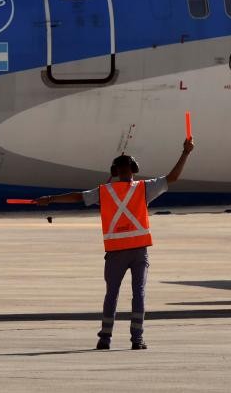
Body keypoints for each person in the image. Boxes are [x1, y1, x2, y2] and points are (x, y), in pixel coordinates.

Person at [36, 138, 195, 350]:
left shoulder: (105, 192)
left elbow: (78, 197)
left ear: (115, 171)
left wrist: (50, 199)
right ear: (133, 169)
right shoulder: (143, 189)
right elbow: (173, 177)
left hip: (115, 252)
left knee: (112, 294)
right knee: (139, 293)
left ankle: (105, 339)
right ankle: (137, 339)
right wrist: (185, 153)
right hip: (139, 251)